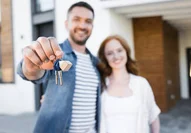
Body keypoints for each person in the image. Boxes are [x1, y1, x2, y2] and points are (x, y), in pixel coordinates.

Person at [17, 2, 100, 132]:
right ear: (67, 24)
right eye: (76, 19)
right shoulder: (56, 55)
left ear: (92, 26)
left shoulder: (95, 63)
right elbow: (35, 73)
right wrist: (31, 67)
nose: (83, 26)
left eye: (88, 21)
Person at [97, 35, 161, 133]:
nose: (116, 56)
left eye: (119, 50)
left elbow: (153, 117)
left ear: (126, 52)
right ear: (105, 58)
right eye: (110, 53)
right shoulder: (100, 85)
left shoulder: (141, 84)